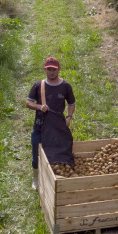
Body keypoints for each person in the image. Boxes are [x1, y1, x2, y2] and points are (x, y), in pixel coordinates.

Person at [27, 57, 75, 190]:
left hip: (58, 126)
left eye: (54, 70)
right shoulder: (38, 85)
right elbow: (28, 103)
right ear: (45, 70)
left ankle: (54, 176)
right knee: (36, 153)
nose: (51, 72)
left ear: (59, 69)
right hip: (40, 126)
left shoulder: (65, 86)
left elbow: (71, 103)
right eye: (49, 70)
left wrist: (69, 117)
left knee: (59, 149)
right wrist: (39, 107)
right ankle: (36, 178)